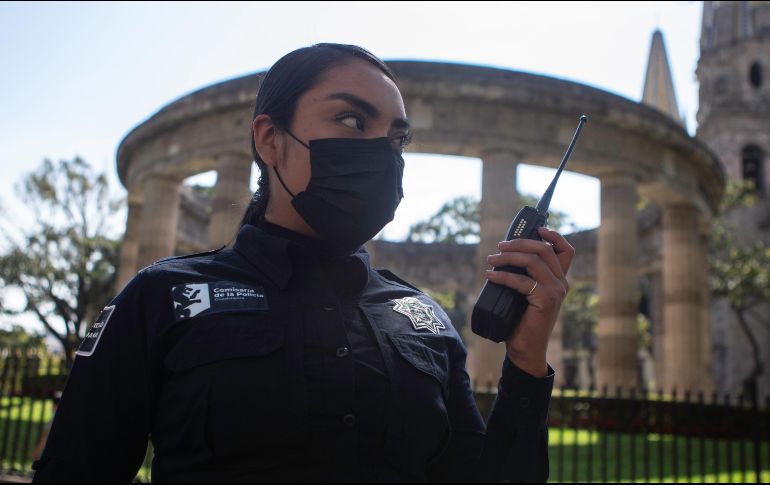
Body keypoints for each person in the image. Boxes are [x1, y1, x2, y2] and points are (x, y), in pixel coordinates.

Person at [32, 43, 574, 482]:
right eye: (352, 120)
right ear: (270, 139)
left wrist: (526, 364)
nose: (382, 153)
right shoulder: (163, 297)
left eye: (396, 138)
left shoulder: (423, 319)